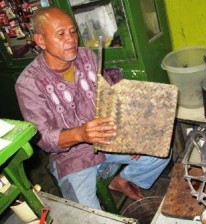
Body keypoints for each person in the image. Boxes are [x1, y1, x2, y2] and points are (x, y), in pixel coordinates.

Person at [15, 7, 171, 210]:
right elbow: (43, 138)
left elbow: (109, 99)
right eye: (60, 34)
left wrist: (129, 136)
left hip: (108, 139)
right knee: (90, 216)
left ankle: (121, 180)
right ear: (41, 41)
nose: (71, 39)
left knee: (161, 151)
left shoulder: (87, 56)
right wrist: (80, 133)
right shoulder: (29, 83)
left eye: (73, 32)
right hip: (72, 159)